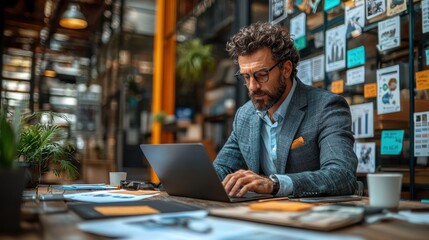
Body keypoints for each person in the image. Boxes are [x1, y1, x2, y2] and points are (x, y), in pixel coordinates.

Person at [213, 22, 358, 198]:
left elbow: (341, 175)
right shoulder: (245, 115)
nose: (252, 86)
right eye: (246, 77)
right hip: (262, 217)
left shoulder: (326, 108)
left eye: (261, 75)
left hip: (313, 218)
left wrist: (273, 184)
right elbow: (222, 168)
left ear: (286, 69)